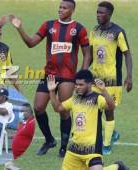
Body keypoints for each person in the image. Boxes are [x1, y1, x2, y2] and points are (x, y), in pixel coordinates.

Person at [10, 0, 91, 157]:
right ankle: (49, 140)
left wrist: (82, 75)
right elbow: (31, 43)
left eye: (64, 8)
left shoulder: (79, 29)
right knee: (38, 107)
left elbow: (87, 53)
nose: (60, 9)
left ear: (72, 10)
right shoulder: (48, 25)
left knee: (63, 111)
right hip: (49, 75)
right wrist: (20, 28)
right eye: (60, 7)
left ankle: (64, 146)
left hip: (68, 77)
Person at [47, 70, 128, 170]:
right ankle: (117, 168)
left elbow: (111, 107)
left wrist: (104, 90)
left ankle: (118, 167)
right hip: (74, 150)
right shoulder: (74, 99)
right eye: (76, 85)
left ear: (90, 84)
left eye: (81, 85)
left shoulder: (97, 98)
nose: (77, 87)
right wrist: (51, 91)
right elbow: (58, 108)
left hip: (92, 150)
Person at [89, 1, 133, 155]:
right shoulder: (94, 31)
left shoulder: (117, 32)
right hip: (95, 79)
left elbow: (127, 53)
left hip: (113, 81)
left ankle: (106, 144)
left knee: (108, 110)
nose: (98, 15)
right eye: (97, 12)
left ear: (109, 14)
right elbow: (90, 54)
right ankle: (111, 133)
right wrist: (82, 73)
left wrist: (129, 75)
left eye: (101, 13)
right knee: (93, 111)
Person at [4, 103, 35, 170]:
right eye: (20, 111)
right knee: (7, 165)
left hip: (21, 154)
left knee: (8, 166)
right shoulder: (22, 122)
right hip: (15, 155)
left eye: (23, 111)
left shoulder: (32, 123)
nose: (21, 113)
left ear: (30, 113)